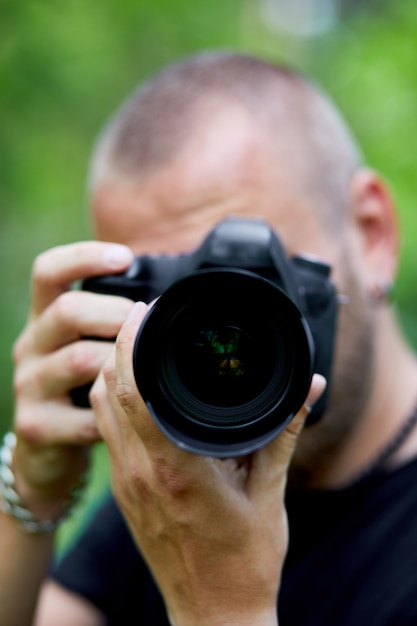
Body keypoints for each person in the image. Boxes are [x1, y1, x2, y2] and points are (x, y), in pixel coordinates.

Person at [1, 50, 417, 626]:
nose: (211, 336)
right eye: (169, 305)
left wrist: (222, 606)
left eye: (252, 284)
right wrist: (30, 488)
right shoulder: (175, 482)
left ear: (371, 235)